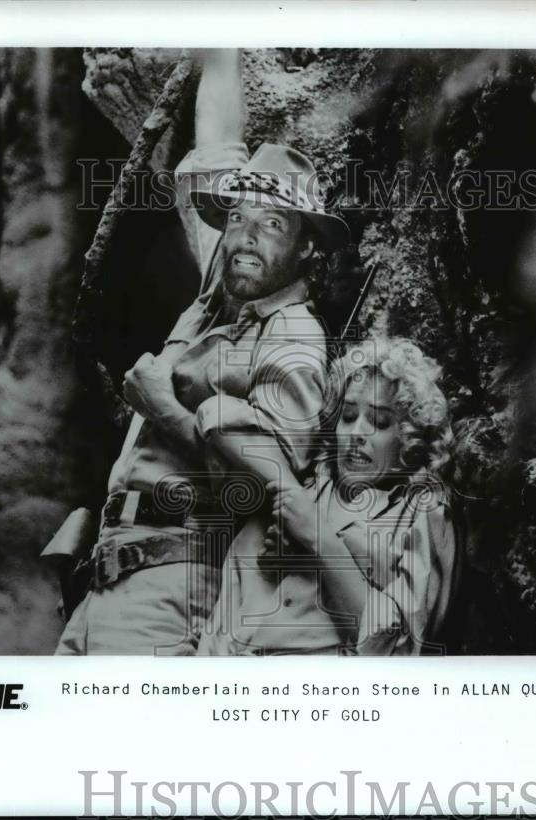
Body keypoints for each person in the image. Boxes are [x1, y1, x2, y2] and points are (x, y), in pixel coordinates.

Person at [54, 49, 349, 655]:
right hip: (103, 582)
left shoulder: (293, 336)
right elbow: (217, 146)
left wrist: (164, 408)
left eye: (272, 224)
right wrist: (221, 40)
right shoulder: (224, 291)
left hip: (176, 585)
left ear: (306, 250)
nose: (244, 235)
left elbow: (268, 491)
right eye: (238, 218)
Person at [198, 336, 458, 656]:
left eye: (379, 421)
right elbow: (215, 413)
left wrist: (319, 539)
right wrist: (291, 494)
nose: (356, 432)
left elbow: (392, 651)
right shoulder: (308, 486)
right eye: (347, 416)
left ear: (411, 440)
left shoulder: (421, 513)